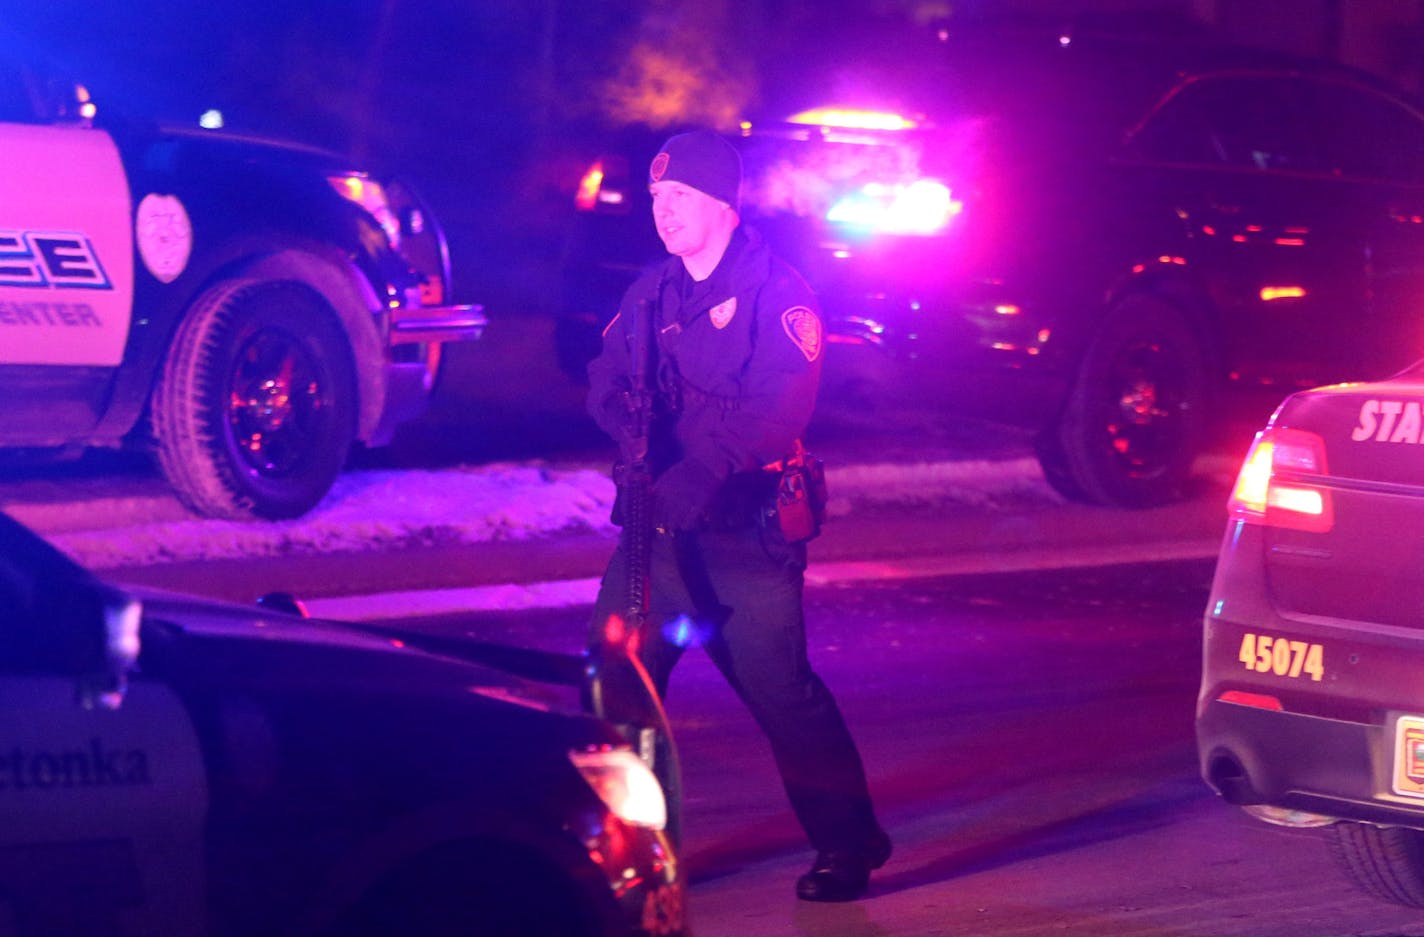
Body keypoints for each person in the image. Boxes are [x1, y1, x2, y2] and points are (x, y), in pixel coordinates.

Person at [584, 128, 891, 902]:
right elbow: (604, 370)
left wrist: (707, 467)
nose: (664, 212)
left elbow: (780, 405)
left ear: (724, 203)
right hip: (657, 532)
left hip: (744, 535)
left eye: (680, 196)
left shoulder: (777, 292)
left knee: (780, 692)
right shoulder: (651, 291)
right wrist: (621, 413)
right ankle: (640, 853)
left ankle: (849, 845)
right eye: (656, 198)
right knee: (616, 687)